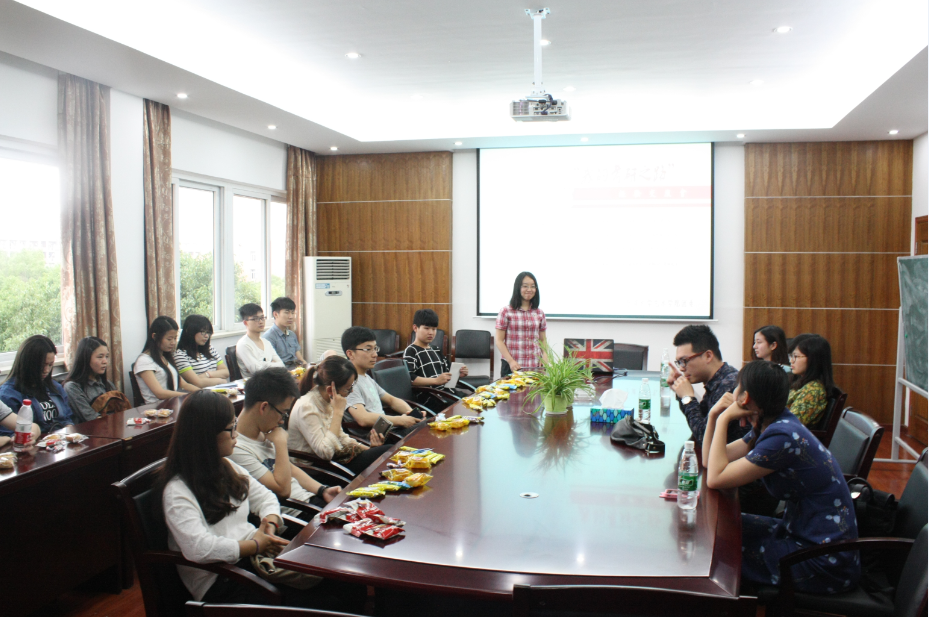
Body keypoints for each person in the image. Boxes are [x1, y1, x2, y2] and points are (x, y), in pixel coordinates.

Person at [155, 390, 365, 610]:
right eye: (230, 428)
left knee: (345, 582)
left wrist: (270, 524)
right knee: (328, 602)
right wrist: (255, 545)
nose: (236, 435)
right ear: (207, 435)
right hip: (223, 580)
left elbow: (265, 497)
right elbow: (199, 549)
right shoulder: (177, 490)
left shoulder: (226, 466)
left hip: (253, 559)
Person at [703, 361, 859, 593]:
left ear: (745, 397)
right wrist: (714, 415)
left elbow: (715, 478)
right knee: (724, 527)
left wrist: (724, 419)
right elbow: (710, 461)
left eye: (737, 387)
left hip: (823, 558)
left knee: (723, 554)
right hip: (800, 532)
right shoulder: (772, 424)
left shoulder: (781, 438)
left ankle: (723, 605)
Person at [228, 367, 341, 518]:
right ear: (264, 407)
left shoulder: (264, 430)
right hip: (296, 514)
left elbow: (289, 468)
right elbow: (282, 491)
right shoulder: (236, 449)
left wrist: (322, 490)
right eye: (283, 413)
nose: (282, 421)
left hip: (309, 501)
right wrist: (281, 443)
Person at [288, 355, 392, 475]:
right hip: (314, 469)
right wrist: (338, 412)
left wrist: (369, 449)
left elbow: (341, 437)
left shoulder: (327, 400)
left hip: (332, 461)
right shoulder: (307, 407)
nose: (351, 391)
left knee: (386, 451)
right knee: (386, 453)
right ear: (330, 390)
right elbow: (325, 453)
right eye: (348, 388)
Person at [666, 325, 743, 447]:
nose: (681, 368)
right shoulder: (719, 379)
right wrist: (681, 392)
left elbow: (703, 437)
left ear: (708, 356)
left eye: (684, 361)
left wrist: (687, 398)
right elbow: (700, 419)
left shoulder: (729, 385)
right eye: (679, 362)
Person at [341, 326, 422, 435]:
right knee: (426, 430)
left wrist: (411, 413)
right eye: (368, 349)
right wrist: (400, 420)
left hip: (388, 430)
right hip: (376, 437)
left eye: (375, 348)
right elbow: (363, 419)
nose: (375, 354)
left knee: (427, 425)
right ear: (350, 354)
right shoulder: (349, 383)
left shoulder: (366, 377)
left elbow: (391, 400)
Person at [0, 335, 74, 435]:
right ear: (28, 363)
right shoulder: (8, 394)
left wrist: (70, 432)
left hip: (61, 439)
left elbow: (67, 418)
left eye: (50, 365)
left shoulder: (55, 387)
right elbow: (9, 434)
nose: (46, 370)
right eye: (42, 365)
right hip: (35, 442)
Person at [403, 308, 469, 411]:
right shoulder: (411, 351)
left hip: (447, 393)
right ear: (415, 328)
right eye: (426, 328)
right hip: (431, 398)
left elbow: (448, 372)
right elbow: (410, 379)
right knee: (465, 407)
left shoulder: (435, 349)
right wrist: (436, 381)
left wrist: (458, 373)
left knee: (475, 400)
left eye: (434, 329)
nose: (431, 333)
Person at [495, 271, 548, 377]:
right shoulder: (506, 311)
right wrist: (511, 361)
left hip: (534, 366)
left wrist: (545, 358)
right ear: (518, 288)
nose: (529, 289)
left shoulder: (539, 313)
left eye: (533, 286)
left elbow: (543, 340)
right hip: (513, 366)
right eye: (525, 286)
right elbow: (499, 340)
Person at [135, 316, 195, 404]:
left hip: (173, 404)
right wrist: (189, 396)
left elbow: (184, 384)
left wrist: (203, 393)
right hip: (157, 408)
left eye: (175, 338)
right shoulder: (144, 361)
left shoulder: (165, 357)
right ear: (155, 336)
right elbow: (160, 393)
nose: (173, 343)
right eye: (169, 339)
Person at [63, 336, 120, 422]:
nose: (105, 361)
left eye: (107, 356)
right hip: (91, 429)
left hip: (113, 426)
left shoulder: (107, 384)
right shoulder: (72, 387)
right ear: (86, 358)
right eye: (100, 357)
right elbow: (92, 418)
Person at [787, 334, 835, 427]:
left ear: (813, 359)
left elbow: (790, 423)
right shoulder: (801, 381)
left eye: (796, 356)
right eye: (790, 356)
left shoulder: (813, 390)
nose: (791, 361)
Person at [175, 314, 230, 388]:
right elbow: (198, 383)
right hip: (200, 393)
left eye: (208, 332)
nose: (206, 336)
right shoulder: (180, 354)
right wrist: (221, 381)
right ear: (190, 331)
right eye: (203, 332)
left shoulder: (210, 348)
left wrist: (207, 375)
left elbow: (226, 372)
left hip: (219, 391)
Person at [235, 304, 285, 378]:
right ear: (245, 322)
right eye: (255, 319)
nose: (261, 322)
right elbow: (257, 371)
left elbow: (281, 365)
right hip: (255, 383)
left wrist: (262, 364)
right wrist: (272, 363)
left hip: (273, 379)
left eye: (262, 318)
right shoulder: (243, 344)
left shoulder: (266, 342)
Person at [263, 297, 307, 370]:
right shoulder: (268, 337)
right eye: (287, 313)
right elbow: (271, 365)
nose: (291, 317)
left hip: (296, 369)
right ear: (275, 314)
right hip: (281, 372)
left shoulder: (292, 334)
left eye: (292, 313)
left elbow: (300, 359)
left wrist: (308, 369)